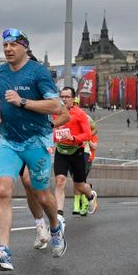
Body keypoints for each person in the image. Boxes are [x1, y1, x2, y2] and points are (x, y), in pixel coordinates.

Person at [0, 28, 68, 271]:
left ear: (24, 47)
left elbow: (56, 105)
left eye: (12, 45)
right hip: (9, 140)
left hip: (36, 142)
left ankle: (55, 226)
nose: (8, 49)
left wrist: (22, 102)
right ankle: (4, 251)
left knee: (41, 195)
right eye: (5, 45)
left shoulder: (38, 73)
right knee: (2, 190)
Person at [53, 86, 98, 219]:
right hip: (61, 150)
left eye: (67, 97)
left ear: (73, 99)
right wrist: (54, 137)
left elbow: (88, 134)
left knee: (79, 184)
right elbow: (52, 130)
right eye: (62, 96)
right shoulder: (55, 112)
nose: (64, 99)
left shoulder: (80, 114)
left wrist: (74, 138)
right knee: (60, 180)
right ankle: (59, 214)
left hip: (76, 151)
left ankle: (91, 195)